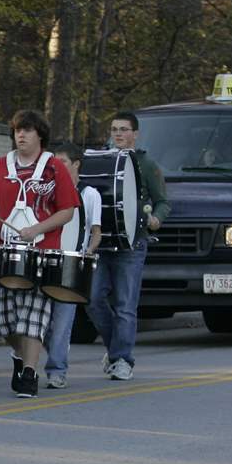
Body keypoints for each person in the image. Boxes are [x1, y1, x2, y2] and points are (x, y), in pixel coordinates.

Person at [0, 110, 79, 399]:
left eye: (27, 130)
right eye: (17, 131)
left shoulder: (53, 168)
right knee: (2, 315)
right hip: (5, 252)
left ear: (40, 135)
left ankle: (29, 374)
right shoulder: (0, 166)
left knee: (32, 314)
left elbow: (67, 210)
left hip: (41, 253)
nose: (20, 135)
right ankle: (19, 356)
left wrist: (38, 228)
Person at [86, 111, 170, 381]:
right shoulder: (102, 161)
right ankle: (115, 351)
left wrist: (156, 218)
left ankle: (123, 359)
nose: (118, 134)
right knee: (93, 298)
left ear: (135, 134)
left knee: (124, 304)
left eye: (123, 129)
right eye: (114, 129)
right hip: (100, 242)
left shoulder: (145, 164)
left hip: (132, 244)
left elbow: (163, 201)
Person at [42, 141, 103, 390]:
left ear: (76, 164)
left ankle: (57, 370)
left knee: (63, 321)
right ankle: (53, 353)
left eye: (63, 162)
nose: (57, 167)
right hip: (46, 259)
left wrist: (88, 251)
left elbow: (96, 232)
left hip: (72, 261)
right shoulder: (46, 190)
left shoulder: (89, 194)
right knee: (42, 322)